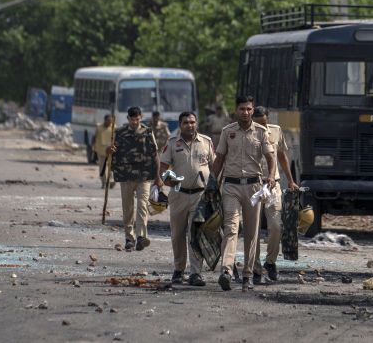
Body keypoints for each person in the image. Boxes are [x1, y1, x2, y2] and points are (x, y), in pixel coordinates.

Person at [212, 95, 276, 292]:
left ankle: (248, 274)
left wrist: (271, 176)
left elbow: (270, 158)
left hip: (254, 188)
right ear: (236, 111)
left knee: (251, 233)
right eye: (242, 109)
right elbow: (220, 159)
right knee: (231, 228)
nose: (245, 112)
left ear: (252, 110)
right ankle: (226, 271)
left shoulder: (261, 132)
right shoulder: (227, 132)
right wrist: (211, 183)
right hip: (230, 186)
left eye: (249, 109)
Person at [157, 111, 215, 287]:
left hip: (200, 195)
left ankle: (196, 273)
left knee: (196, 235)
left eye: (192, 122)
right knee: (177, 235)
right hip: (179, 194)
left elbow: (216, 166)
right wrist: (172, 182)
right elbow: (163, 169)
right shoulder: (172, 143)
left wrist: (215, 188)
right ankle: (179, 270)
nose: (190, 125)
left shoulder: (206, 142)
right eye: (186, 123)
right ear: (180, 125)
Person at [251, 106, 299, 284]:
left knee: (276, 226)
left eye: (264, 122)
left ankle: (270, 262)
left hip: (273, 186)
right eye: (258, 123)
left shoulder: (276, 131)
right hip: (253, 185)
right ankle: (255, 268)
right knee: (253, 231)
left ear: (267, 118)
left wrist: (291, 180)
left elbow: (282, 157)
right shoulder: (247, 133)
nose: (261, 126)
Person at [108, 107, 163, 252]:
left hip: (144, 176)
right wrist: (110, 151)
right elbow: (112, 153)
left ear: (141, 117)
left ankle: (141, 237)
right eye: (132, 119)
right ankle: (129, 238)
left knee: (142, 206)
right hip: (126, 176)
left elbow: (155, 154)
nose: (135, 122)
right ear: (128, 119)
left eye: (137, 119)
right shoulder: (119, 133)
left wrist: (158, 176)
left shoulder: (147, 132)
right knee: (128, 208)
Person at [92, 114, 115, 189]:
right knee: (102, 168)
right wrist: (93, 147)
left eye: (110, 121)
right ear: (105, 120)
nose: (109, 122)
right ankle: (104, 182)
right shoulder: (99, 128)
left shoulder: (113, 127)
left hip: (111, 151)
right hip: (101, 151)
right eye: (108, 120)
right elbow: (94, 137)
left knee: (111, 167)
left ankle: (111, 181)